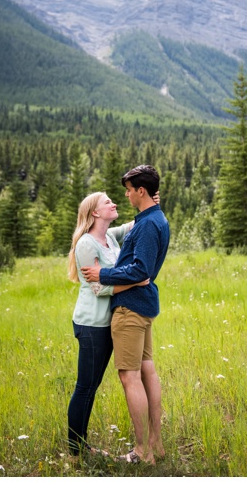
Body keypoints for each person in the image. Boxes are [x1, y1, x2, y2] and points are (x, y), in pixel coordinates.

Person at [81, 165, 170, 464]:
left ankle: (143, 451)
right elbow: (140, 267)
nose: (126, 195)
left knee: (129, 376)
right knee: (148, 371)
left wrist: (102, 273)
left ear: (140, 191)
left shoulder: (147, 225)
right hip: (143, 304)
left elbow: (140, 269)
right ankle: (155, 445)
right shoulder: (154, 218)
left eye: (129, 190)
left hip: (131, 308)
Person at [66, 192, 151, 457]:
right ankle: (76, 448)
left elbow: (134, 225)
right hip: (92, 325)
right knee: (86, 387)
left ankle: (79, 445)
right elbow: (98, 288)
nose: (114, 204)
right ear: (95, 212)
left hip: (108, 322)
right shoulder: (86, 244)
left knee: (93, 385)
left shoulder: (110, 236)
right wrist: (135, 281)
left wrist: (151, 200)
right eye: (107, 202)